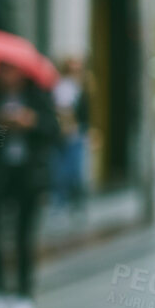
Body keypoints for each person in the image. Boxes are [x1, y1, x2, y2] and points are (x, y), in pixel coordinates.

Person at [0, 63, 59, 308]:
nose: (7, 77)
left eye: (11, 71)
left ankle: (24, 293)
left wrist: (31, 121)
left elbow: (54, 130)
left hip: (28, 175)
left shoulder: (38, 96)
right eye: (2, 71)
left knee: (25, 235)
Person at [50, 55, 90, 217]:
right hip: (67, 134)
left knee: (74, 170)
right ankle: (61, 201)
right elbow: (63, 108)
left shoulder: (79, 86)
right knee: (65, 170)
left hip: (77, 133)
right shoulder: (64, 86)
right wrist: (69, 126)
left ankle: (72, 202)